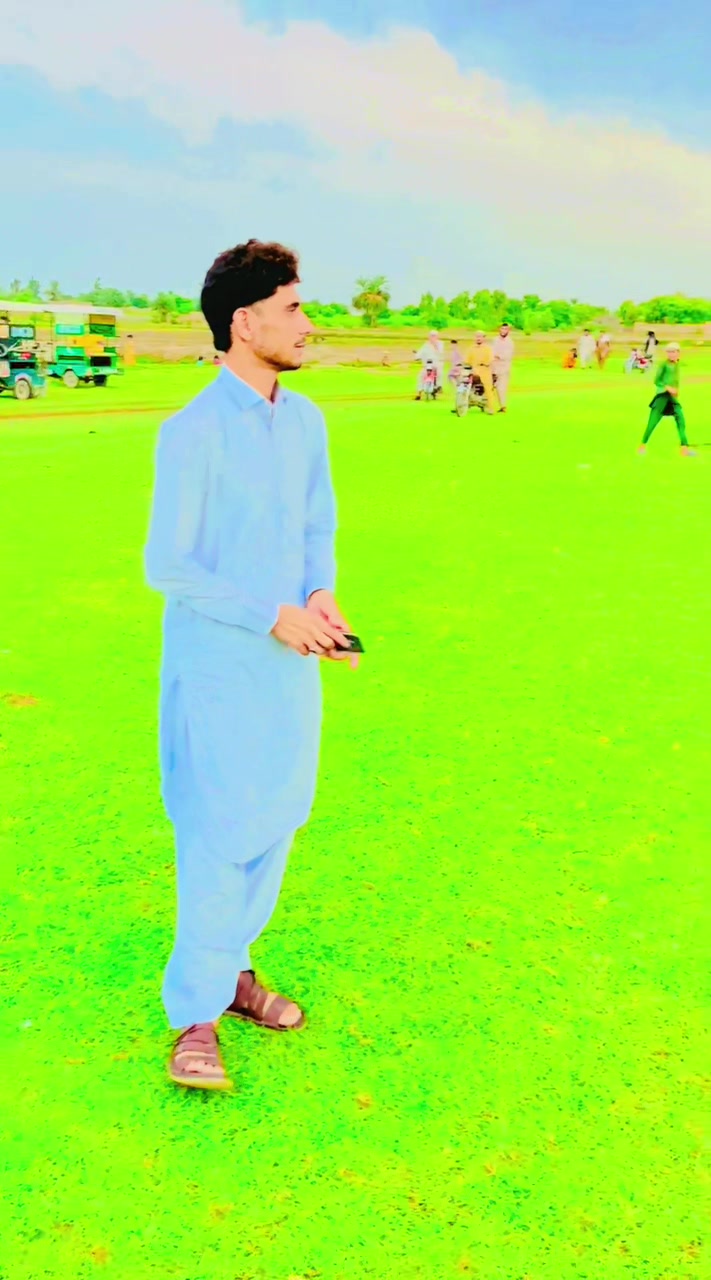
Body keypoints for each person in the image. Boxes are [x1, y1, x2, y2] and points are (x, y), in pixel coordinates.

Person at [144, 239, 360, 1091]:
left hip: (287, 670)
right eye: (294, 307)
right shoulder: (192, 432)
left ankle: (232, 973)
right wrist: (270, 613)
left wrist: (321, 597)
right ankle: (194, 1016)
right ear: (244, 321)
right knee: (214, 833)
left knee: (274, 821)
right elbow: (169, 564)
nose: (309, 323)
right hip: (216, 672)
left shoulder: (305, 422)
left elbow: (315, 528)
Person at [638, 343, 695, 456]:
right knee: (652, 423)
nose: (671, 354)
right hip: (662, 398)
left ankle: (684, 449)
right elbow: (657, 381)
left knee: (681, 420)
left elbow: (675, 380)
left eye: (673, 352)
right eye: (669, 352)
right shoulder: (663, 365)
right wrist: (668, 388)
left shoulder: (677, 365)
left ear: (678, 353)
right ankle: (642, 446)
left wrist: (676, 390)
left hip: (672, 399)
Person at [465, 330, 496, 411]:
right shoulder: (471, 348)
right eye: (477, 336)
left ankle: (491, 408)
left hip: (484, 370)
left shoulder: (487, 349)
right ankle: (460, 405)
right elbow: (467, 360)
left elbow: (489, 360)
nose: (478, 338)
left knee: (488, 388)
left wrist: (483, 363)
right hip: (473, 370)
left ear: (483, 338)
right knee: (462, 384)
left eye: (480, 336)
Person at [414, 331, 444, 399]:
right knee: (421, 376)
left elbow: (440, 352)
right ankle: (419, 393)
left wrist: (434, 344)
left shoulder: (440, 344)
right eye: (431, 336)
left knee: (439, 373)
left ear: (437, 336)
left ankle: (439, 387)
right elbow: (420, 353)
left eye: (434, 336)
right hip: (427, 365)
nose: (433, 337)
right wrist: (417, 356)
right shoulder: (426, 345)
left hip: (436, 364)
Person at [491, 322, 514, 412]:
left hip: (504, 368)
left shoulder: (509, 342)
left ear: (508, 331)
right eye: (502, 329)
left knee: (501, 388)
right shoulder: (495, 340)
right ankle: (490, 405)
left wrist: (498, 356)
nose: (503, 331)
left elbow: (507, 355)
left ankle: (503, 406)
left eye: (505, 329)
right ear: (499, 329)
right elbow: (491, 351)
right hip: (493, 367)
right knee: (490, 387)